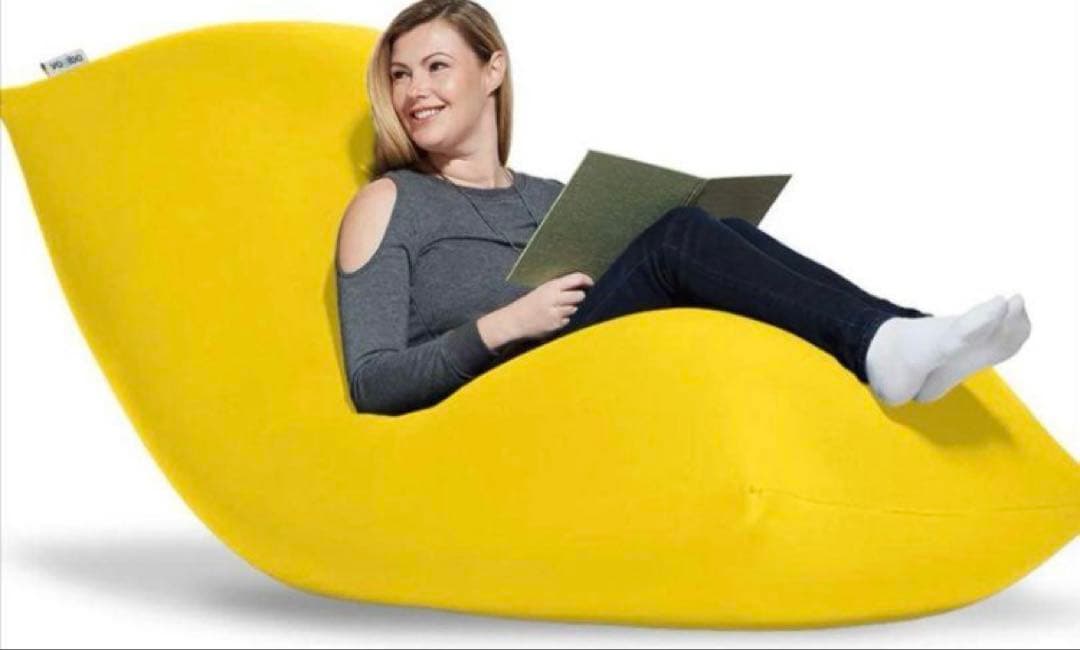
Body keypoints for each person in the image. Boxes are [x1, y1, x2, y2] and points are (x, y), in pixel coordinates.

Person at [335, 0, 1031, 416]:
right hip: (509, 396)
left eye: (436, 67)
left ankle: (901, 331)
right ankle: (884, 345)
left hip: (609, 366)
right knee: (680, 238)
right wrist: (502, 325)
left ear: (493, 71)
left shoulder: (549, 197)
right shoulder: (391, 202)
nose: (414, 91)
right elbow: (371, 382)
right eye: (400, 74)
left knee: (719, 228)